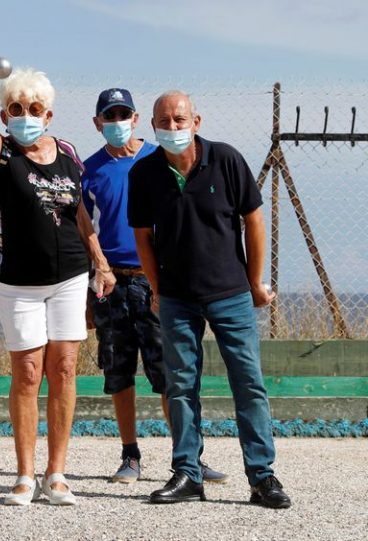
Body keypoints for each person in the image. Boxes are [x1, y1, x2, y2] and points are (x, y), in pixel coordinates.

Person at [0, 17, 114, 506]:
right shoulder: (0, 153)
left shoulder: (66, 152)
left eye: (35, 108)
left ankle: (57, 473)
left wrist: (100, 261)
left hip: (70, 276)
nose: (26, 114)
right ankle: (24, 474)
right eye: (17, 108)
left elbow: (80, 210)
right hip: (18, 279)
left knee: (64, 369)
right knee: (26, 372)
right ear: (6, 115)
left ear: (49, 112)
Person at [128, 90, 291, 508]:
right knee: (180, 385)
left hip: (230, 293)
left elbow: (253, 220)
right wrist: (157, 288)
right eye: (164, 122)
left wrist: (255, 282)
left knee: (249, 384)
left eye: (180, 120)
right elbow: (142, 236)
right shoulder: (143, 174)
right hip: (177, 298)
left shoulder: (227, 160)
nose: (173, 128)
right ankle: (187, 473)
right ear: (153, 126)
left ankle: (262, 476)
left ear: (196, 122)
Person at [82, 88, 226, 485]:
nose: (116, 122)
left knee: (171, 372)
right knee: (119, 370)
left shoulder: (158, 158)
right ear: (97, 123)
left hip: (157, 283)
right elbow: (84, 227)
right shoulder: (89, 170)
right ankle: (130, 455)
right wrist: (91, 284)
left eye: (123, 114)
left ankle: (189, 456)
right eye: (108, 116)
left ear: (136, 117)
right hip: (112, 283)